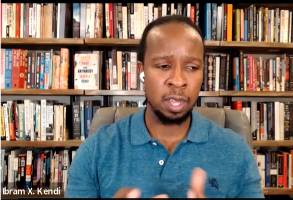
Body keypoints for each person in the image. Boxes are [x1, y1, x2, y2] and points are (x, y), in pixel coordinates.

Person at [64, 15, 264, 198]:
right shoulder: (94, 152)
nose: (178, 81)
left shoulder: (237, 153)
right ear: (141, 71)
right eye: (163, 66)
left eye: (192, 68)